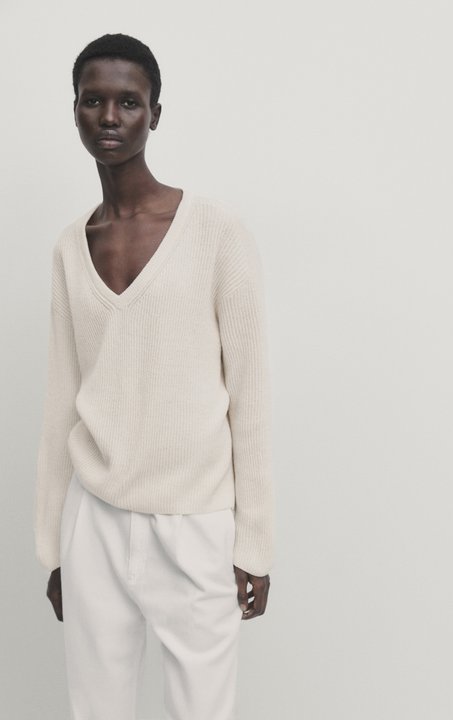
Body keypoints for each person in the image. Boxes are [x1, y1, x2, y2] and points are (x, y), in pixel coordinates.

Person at [33, 33, 274, 720]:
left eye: (129, 102)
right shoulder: (70, 246)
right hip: (94, 520)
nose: (109, 117)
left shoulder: (216, 232)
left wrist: (255, 543)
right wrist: (54, 549)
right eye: (93, 101)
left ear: (155, 114)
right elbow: (61, 400)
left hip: (195, 523)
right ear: (75, 111)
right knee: (97, 710)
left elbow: (250, 394)